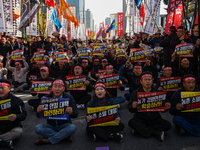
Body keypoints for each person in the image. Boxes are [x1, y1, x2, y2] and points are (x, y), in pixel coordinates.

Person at [128, 72, 172, 141]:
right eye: (145, 80)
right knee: (131, 122)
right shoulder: (136, 92)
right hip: (140, 118)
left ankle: (140, 131)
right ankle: (156, 133)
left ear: (152, 81)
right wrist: (133, 106)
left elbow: (162, 109)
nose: (147, 81)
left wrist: (166, 108)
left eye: (149, 79)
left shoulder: (158, 92)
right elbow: (130, 109)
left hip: (155, 118)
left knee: (168, 125)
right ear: (141, 82)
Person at [34, 79, 78, 145]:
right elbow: (38, 115)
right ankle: (63, 137)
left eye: (59, 87)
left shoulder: (69, 97)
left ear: (63, 89)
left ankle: (48, 140)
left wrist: (71, 112)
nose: (57, 89)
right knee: (38, 128)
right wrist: (38, 111)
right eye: (55, 86)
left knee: (72, 127)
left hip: (65, 125)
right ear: (52, 88)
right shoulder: (46, 98)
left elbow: (76, 114)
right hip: (50, 125)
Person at [0, 79, 27, 149]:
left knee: (18, 132)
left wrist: (16, 116)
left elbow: (23, 114)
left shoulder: (17, 100)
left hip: (11, 128)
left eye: (3, 88)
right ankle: (5, 142)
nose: (0, 90)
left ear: (9, 89)